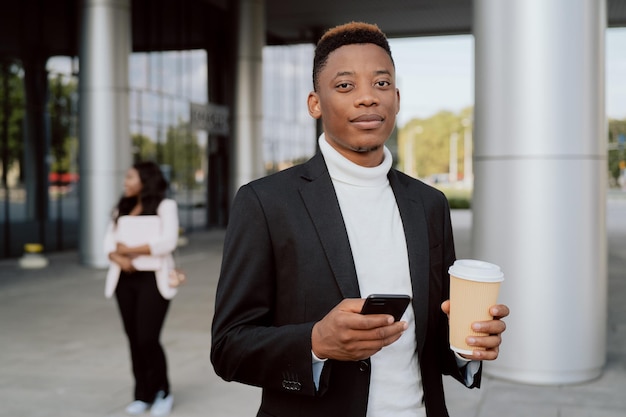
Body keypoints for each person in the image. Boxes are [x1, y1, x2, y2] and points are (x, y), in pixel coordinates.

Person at [211, 22, 509, 417]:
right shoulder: (266, 203)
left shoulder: (429, 204)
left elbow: (429, 339)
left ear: (397, 99)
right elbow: (229, 347)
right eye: (346, 86)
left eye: (381, 84)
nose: (368, 98)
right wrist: (316, 342)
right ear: (315, 103)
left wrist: (468, 346)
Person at [104, 161, 183, 416]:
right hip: (124, 280)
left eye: (129, 177)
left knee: (148, 337)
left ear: (144, 180)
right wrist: (120, 258)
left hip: (153, 280)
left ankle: (163, 391)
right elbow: (108, 243)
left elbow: (167, 242)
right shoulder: (122, 207)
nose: (125, 182)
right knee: (134, 339)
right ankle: (143, 394)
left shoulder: (165, 206)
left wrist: (128, 249)